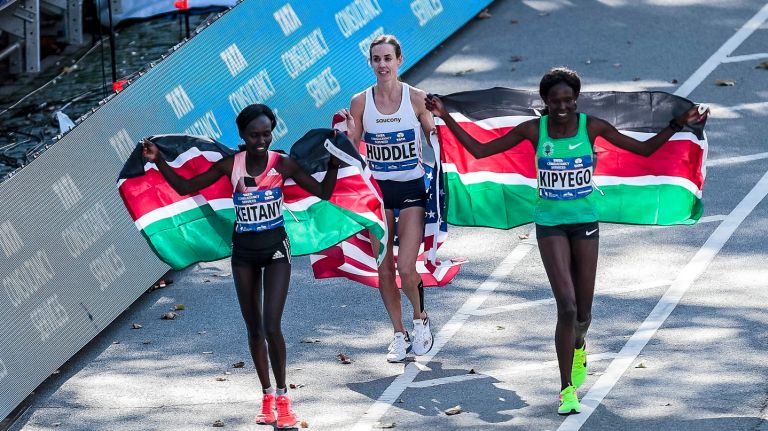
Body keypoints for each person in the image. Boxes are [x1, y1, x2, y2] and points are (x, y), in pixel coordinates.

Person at [426, 67, 708, 415]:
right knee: (568, 307)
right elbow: (480, 151)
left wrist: (678, 124)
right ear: (545, 101)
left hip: (585, 224)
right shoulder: (534, 129)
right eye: (556, 101)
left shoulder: (592, 126)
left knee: (584, 314)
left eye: (568, 100)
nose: (562, 106)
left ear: (576, 99)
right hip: (550, 225)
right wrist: (446, 117)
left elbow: (645, 150)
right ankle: (566, 390)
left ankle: (579, 344)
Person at [142, 104, 340, 428]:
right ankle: (265, 396)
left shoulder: (282, 163)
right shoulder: (230, 165)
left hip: (276, 250)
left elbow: (324, 191)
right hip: (244, 254)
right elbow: (185, 188)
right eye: (254, 135)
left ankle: (283, 396)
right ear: (242, 135)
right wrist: (158, 160)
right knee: (254, 329)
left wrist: (333, 163)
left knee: (272, 326)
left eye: (266, 134)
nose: (261, 140)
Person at [336, 34, 435, 362]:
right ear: (370, 63)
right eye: (376, 59)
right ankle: (398, 334)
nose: (382, 65)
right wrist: (347, 133)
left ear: (399, 60)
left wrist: (437, 128)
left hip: (411, 192)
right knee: (383, 269)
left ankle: (420, 319)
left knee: (406, 268)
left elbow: (434, 134)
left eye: (387, 59)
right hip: (377, 195)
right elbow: (352, 147)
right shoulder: (361, 102)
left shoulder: (417, 98)